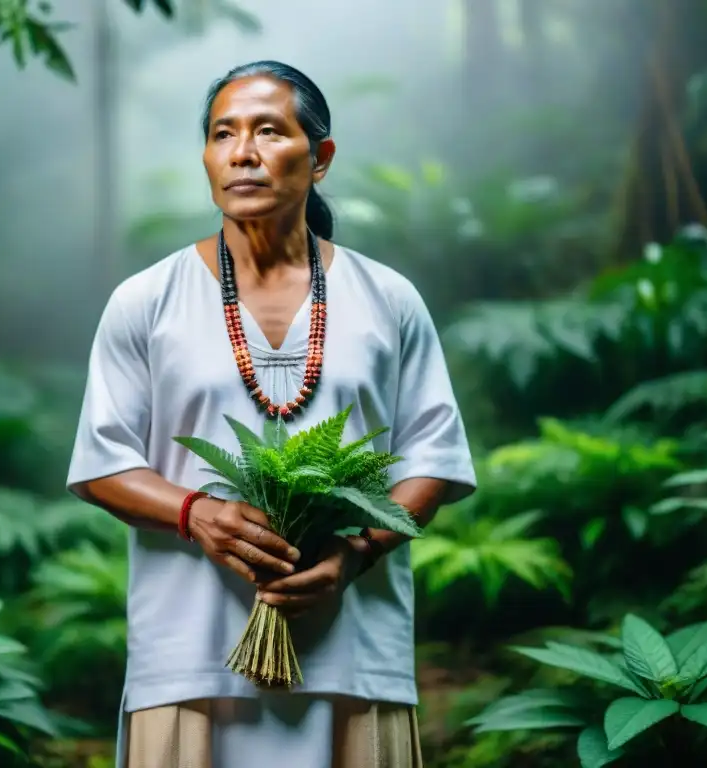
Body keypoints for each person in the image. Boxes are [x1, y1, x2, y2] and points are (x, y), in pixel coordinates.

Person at [67, 60, 477, 768]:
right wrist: (198, 513)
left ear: (319, 159)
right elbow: (103, 462)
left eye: (268, 131)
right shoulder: (147, 299)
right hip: (190, 652)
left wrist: (355, 554)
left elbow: (432, 460)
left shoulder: (388, 298)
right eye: (223, 134)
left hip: (354, 642)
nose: (243, 152)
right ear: (206, 157)